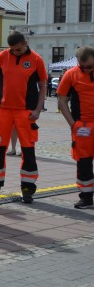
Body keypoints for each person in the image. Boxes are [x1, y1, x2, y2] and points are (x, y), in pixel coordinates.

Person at [0, 31, 47, 203]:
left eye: (18, 49)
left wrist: (38, 109)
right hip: (3, 110)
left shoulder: (37, 60)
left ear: (25, 43)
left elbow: (43, 86)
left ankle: (28, 188)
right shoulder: (2, 56)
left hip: (26, 111)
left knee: (28, 150)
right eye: (12, 50)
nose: (14, 52)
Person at [56, 45, 94, 210]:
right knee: (83, 162)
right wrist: (72, 124)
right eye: (82, 66)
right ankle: (86, 197)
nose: (85, 70)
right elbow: (62, 100)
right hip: (82, 125)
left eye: (90, 67)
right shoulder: (71, 74)